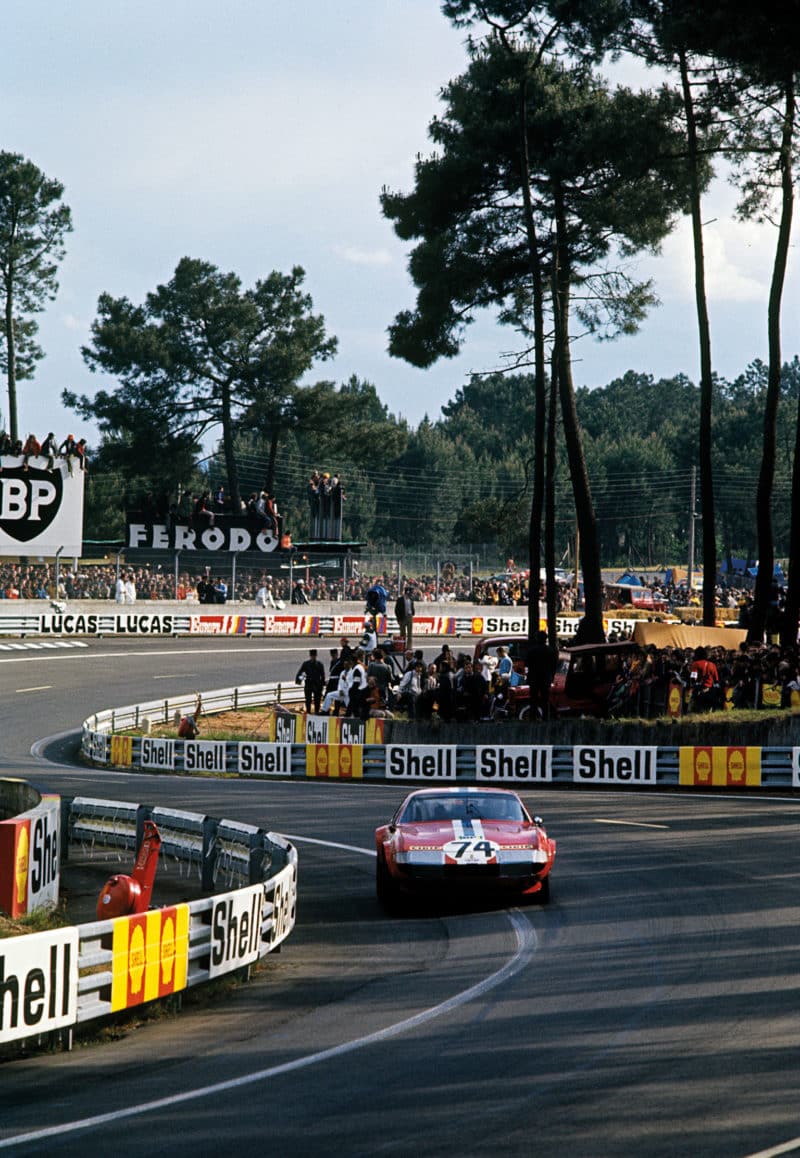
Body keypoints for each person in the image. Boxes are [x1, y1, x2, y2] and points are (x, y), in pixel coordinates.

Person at [295, 648, 326, 714]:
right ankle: (308, 712)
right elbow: (301, 672)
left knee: (317, 700)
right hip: (308, 684)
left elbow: (323, 675)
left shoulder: (319, 664)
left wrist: (322, 685)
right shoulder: (306, 664)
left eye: (314, 656)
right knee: (308, 700)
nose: (313, 657)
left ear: (316, 656)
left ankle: (316, 712)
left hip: (317, 685)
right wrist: (298, 680)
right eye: (312, 656)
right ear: (310, 656)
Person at [394, 586, 415, 650]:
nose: (411, 595)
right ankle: (402, 646)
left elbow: (412, 607)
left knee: (410, 633)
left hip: (409, 616)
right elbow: (397, 610)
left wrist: (413, 613)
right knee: (402, 633)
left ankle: (409, 647)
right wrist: (398, 619)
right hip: (403, 617)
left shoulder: (411, 599)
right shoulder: (400, 600)